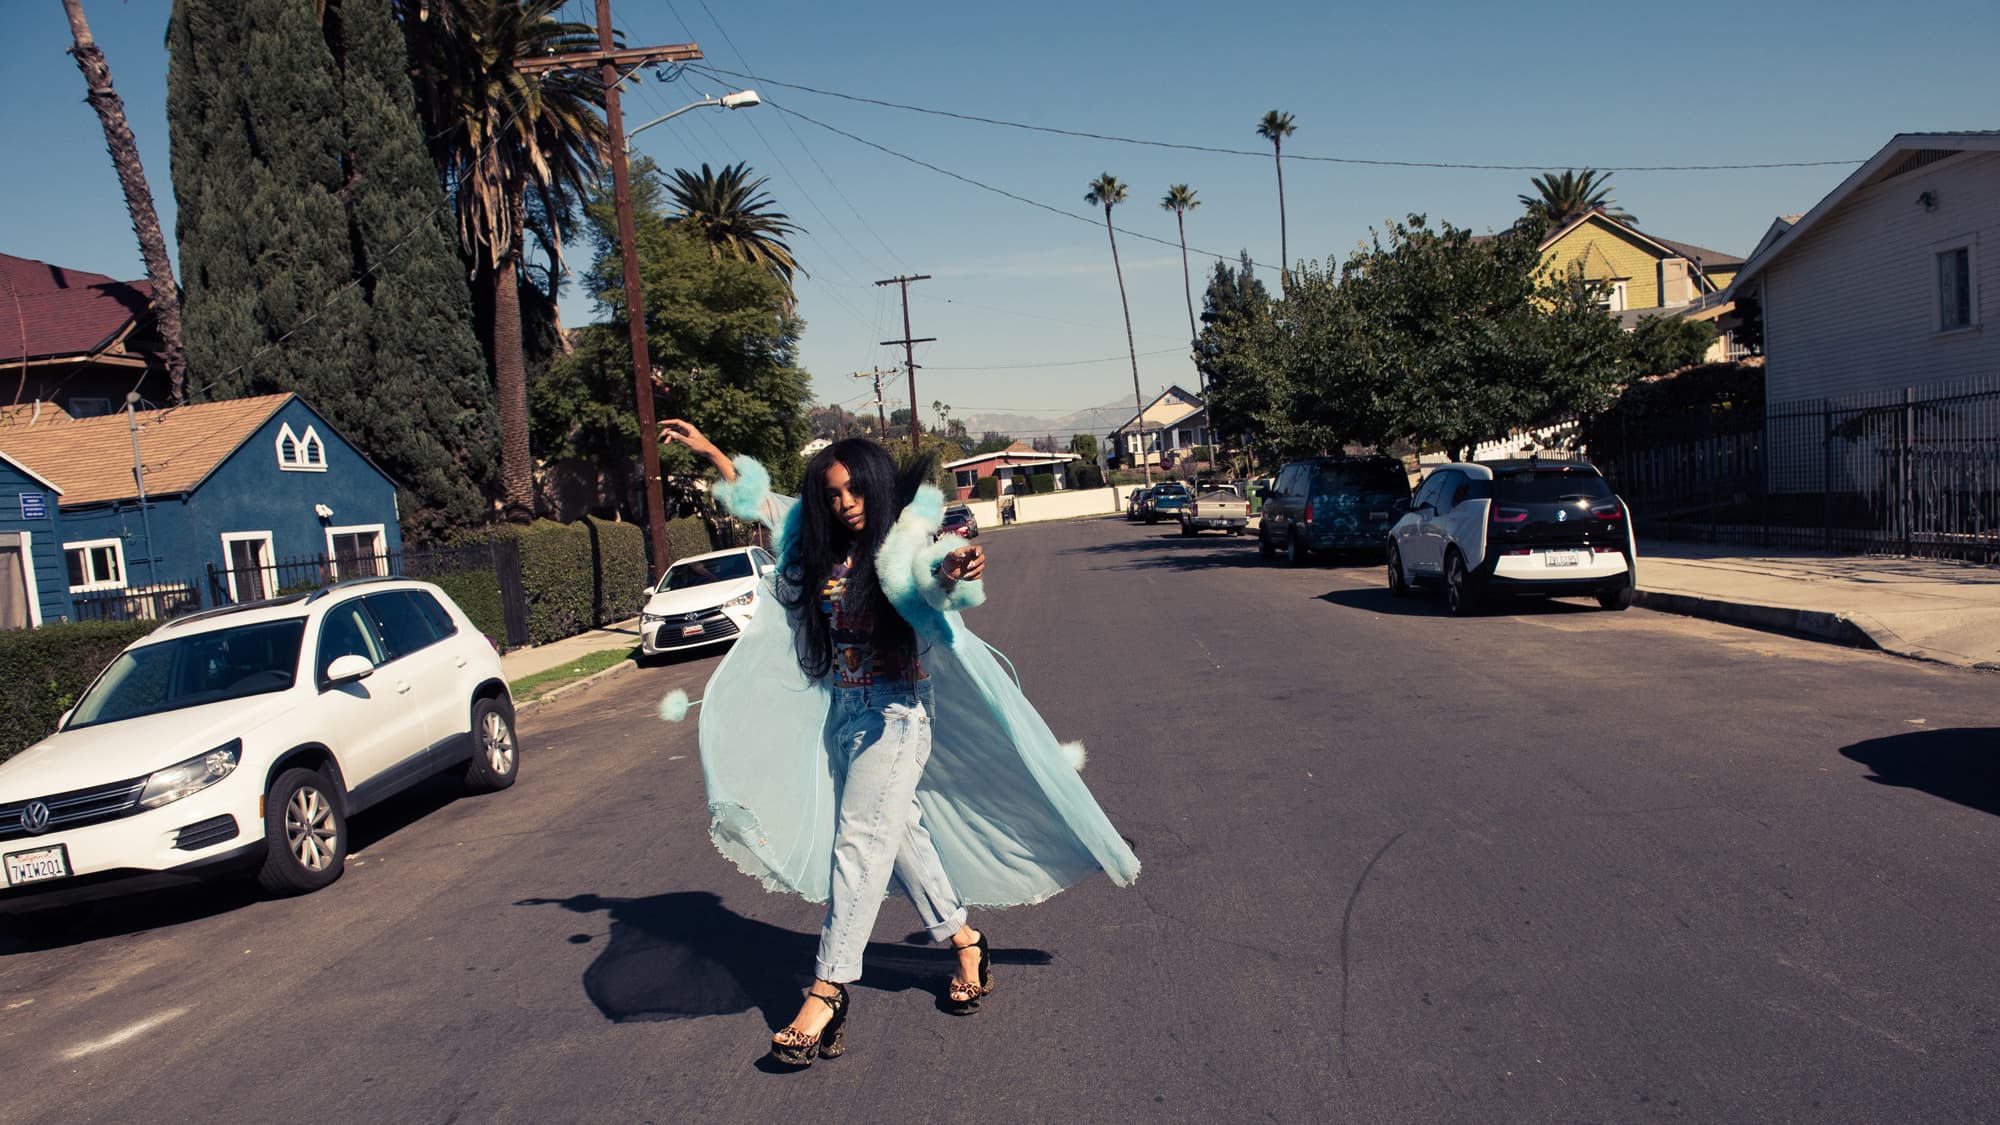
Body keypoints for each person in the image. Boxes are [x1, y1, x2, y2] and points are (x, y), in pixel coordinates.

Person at [659, 420, 1140, 1069]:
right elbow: (771, 507)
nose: (845, 502)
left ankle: (827, 991)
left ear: (877, 487)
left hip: (896, 714)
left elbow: (932, 576)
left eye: (855, 489)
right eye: (833, 493)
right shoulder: (820, 544)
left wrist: (956, 566)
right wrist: (715, 453)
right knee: (902, 839)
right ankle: (967, 941)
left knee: (859, 842)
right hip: (846, 714)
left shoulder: (901, 545)